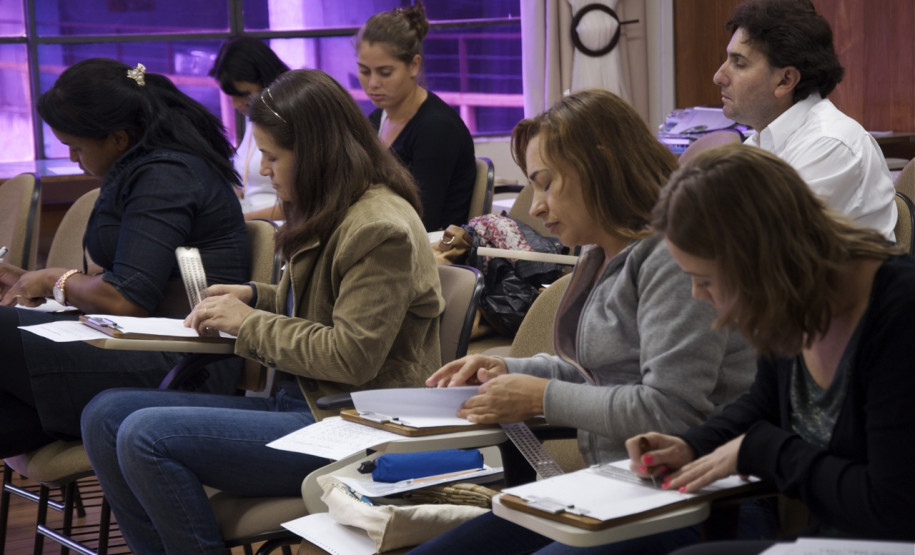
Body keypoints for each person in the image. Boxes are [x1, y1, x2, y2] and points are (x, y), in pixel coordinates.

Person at [81, 68, 443, 554]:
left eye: (273, 156)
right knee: (103, 415)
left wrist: (250, 323)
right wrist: (257, 295)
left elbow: (351, 355)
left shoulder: (380, 227)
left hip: (357, 425)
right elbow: (328, 307)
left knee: (146, 436)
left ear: (316, 154)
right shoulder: (335, 206)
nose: (265, 168)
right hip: (306, 403)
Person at [408, 90, 757, 555]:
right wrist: (513, 372)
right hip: (613, 491)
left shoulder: (674, 259)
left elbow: (671, 412)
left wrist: (542, 396)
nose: (535, 206)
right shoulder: (602, 252)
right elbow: (600, 374)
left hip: (699, 502)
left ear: (601, 166)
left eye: (548, 183)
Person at [633, 144, 915, 554]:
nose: (697, 295)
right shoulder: (794, 304)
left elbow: (892, 505)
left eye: (706, 280)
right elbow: (764, 405)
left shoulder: (900, 313)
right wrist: (693, 444)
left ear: (758, 262)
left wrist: (763, 450)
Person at [0, 58, 248, 459]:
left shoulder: (167, 175)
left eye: (77, 147)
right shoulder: (140, 168)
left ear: (118, 138)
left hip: (183, 361)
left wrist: (51, 281)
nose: (74, 159)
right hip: (134, 341)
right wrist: (27, 278)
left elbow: (125, 298)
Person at [713, 0, 896, 239]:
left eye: (739, 63)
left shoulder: (831, 145)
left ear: (785, 80)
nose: (719, 76)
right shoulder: (760, 143)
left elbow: (762, 247)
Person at [356, 0, 476, 232]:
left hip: (429, 252)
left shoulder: (437, 130)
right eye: (364, 71)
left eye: (385, 72)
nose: (372, 83)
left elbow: (423, 221)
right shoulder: (375, 119)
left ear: (413, 65)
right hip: (390, 236)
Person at [210, 36, 290, 221]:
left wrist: (240, 220)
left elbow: (304, 204)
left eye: (243, 94)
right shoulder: (253, 115)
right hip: (252, 222)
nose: (236, 104)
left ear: (266, 80)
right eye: (230, 96)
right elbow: (246, 184)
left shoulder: (289, 117)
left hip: (278, 228)